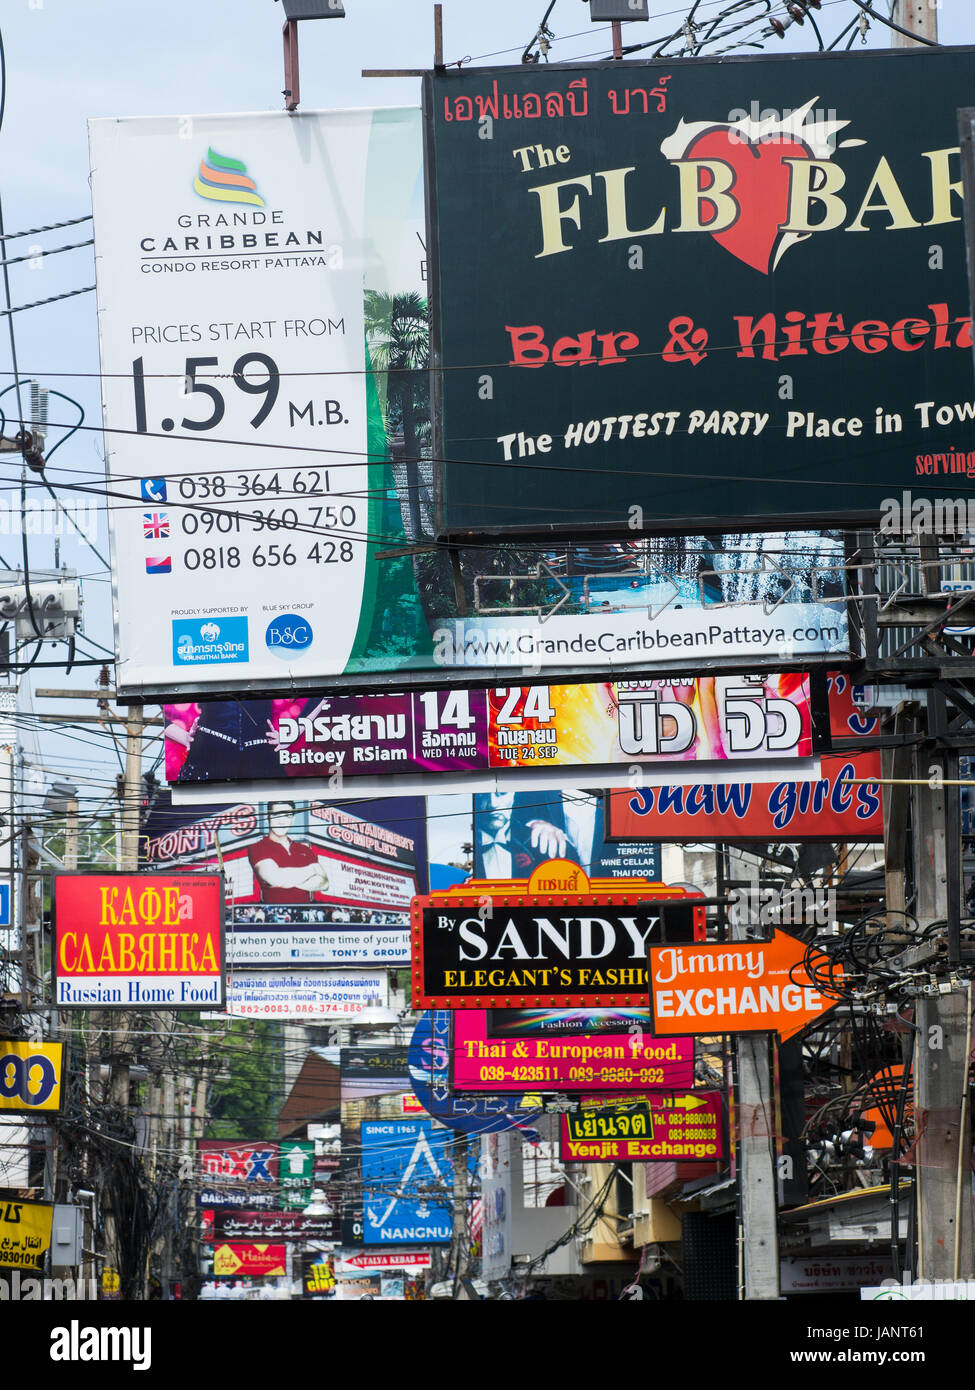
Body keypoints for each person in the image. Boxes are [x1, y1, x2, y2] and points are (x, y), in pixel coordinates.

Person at [247, 801, 329, 903]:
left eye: (287, 815)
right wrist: (312, 870)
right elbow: (276, 878)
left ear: (293, 819)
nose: (281, 821)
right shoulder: (257, 847)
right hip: (274, 914)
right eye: (276, 814)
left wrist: (288, 881)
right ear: (268, 817)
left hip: (306, 915)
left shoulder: (305, 850)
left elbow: (325, 883)